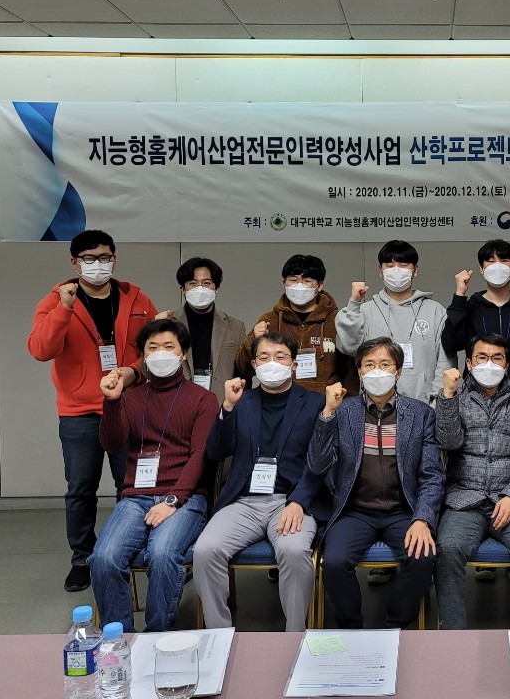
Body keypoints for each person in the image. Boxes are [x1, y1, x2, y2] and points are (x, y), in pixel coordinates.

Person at [27, 229, 158, 592]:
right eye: (89, 259)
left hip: (127, 405)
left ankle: (126, 550)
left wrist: (133, 372)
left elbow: (157, 348)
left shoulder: (136, 298)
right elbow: (40, 349)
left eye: (104, 257)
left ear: (114, 259)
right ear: (74, 263)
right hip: (79, 412)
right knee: (81, 489)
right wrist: (64, 308)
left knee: (130, 487)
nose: (97, 264)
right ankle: (82, 558)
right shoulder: (56, 300)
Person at [194, 332, 330, 632]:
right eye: (264, 357)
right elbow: (216, 452)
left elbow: (320, 462)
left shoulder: (315, 403)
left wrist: (299, 501)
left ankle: (295, 636)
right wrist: (226, 408)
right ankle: (219, 635)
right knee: (205, 550)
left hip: (290, 500)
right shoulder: (241, 401)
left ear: (294, 365)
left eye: (280, 357)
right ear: (254, 365)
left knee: (294, 552)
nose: (272, 363)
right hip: (244, 501)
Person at [89, 319, 219, 632]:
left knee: (162, 555)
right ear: (143, 356)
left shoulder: (203, 399)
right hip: (136, 497)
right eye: (153, 348)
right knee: (104, 557)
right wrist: (112, 402)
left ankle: (155, 635)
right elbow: (112, 443)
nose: (161, 353)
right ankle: (120, 639)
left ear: (183, 354)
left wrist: (173, 500)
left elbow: (200, 455)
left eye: (169, 346)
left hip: (185, 497)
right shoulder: (131, 398)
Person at [307, 337, 445, 629]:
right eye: (369, 365)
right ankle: (351, 627)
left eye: (385, 364)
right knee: (334, 562)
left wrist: (422, 519)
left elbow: (432, 475)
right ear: (359, 372)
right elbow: (318, 465)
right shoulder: (343, 412)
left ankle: (395, 625)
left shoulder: (420, 414)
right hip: (354, 511)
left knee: (423, 557)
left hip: (403, 511)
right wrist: (327, 414)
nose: (377, 371)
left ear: (398, 372)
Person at [433, 334, 510, 629]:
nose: (490, 364)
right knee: (447, 547)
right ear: (469, 364)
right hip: (464, 499)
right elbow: (447, 442)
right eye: (482, 357)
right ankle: (453, 634)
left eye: (497, 358)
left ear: (507, 365)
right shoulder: (455, 398)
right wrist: (447, 397)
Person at [335, 239, 454, 404]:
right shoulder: (366, 310)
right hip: (375, 406)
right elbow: (348, 347)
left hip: (425, 405)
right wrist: (354, 304)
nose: (396, 271)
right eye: (390, 266)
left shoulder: (435, 311)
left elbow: (445, 362)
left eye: (403, 265)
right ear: (380, 270)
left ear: (415, 270)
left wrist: (437, 403)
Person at [441, 239, 510, 406]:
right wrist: (459, 296)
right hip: (475, 400)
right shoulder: (469, 307)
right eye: (491, 261)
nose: (498, 266)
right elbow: (450, 344)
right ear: (481, 268)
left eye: (504, 261)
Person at [234, 254, 355, 395]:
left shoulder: (336, 320)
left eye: (307, 281)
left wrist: (348, 403)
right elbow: (243, 368)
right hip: (279, 399)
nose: (299, 286)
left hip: (325, 402)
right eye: (293, 280)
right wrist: (253, 340)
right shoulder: (269, 320)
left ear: (320, 285)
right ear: (284, 283)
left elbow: (350, 369)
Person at [155, 257, 246, 406]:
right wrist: (154, 329)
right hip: (176, 405)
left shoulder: (235, 326)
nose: (200, 288)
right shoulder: (167, 324)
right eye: (193, 283)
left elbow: (243, 372)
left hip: (221, 404)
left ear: (216, 288)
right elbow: (148, 370)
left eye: (206, 283)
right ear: (182, 290)